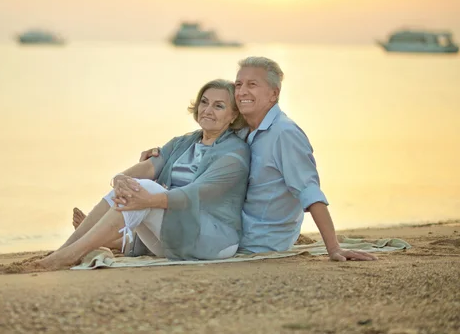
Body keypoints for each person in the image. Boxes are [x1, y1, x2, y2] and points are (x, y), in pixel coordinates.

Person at [132, 57, 377, 262]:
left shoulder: (285, 134)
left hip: (256, 241)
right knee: (142, 206)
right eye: (238, 84)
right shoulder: (242, 131)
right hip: (226, 228)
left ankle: (99, 238)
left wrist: (333, 248)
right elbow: (200, 151)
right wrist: (161, 155)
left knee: (146, 204)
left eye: (252, 84)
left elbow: (309, 191)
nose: (241, 92)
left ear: (274, 94)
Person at [28, 79, 250, 271]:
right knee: (135, 185)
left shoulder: (234, 154)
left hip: (211, 241)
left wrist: (149, 198)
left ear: (233, 116)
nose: (207, 110)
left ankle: (72, 253)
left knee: (146, 189)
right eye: (204, 102)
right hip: (173, 238)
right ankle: (66, 249)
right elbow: (142, 171)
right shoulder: (183, 143)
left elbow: (195, 195)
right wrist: (120, 181)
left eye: (218, 106)